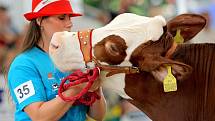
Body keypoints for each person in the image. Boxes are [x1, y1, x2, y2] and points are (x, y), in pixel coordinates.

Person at [6, 0, 106, 121]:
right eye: (62, 18)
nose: (69, 24)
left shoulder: (77, 59)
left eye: (70, 18)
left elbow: (98, 115)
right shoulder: (23, 65)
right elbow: (39, 116)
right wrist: (77, 88)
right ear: (39, 21)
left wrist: (95, 86)